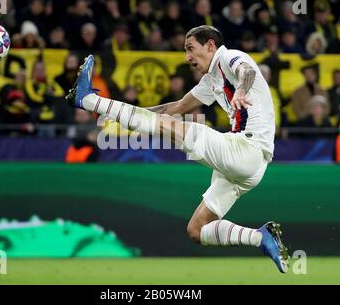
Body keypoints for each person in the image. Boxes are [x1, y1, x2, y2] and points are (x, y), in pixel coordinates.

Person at [65, 25, 288, 273]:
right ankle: (261, 237)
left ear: (210, 45)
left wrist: (242, 90)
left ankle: (88, 99)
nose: (188, 58)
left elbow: (247, 72)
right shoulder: (211, 79)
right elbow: (174, 108)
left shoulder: (229, 57)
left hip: (246, 149)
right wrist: (116, 115)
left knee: (166, 127)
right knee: (197, 230)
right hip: (250, 169)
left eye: (191, 49)